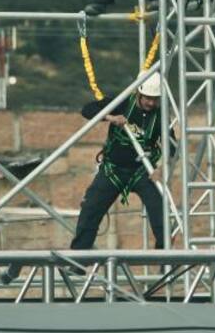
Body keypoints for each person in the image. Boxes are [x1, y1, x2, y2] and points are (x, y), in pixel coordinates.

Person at [70, 73, 169, 251]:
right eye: (148, 98)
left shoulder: (160, 116)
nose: (151, 103)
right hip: (113, 170)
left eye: (155, 99)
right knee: (91, 208)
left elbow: (171, 145)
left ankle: (164, 260)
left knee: (161, 216)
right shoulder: (123, 103)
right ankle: (78, 259)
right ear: (139, 94)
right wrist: (111, 117)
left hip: (142, 172)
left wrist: (162, 168)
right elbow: (87, 110)